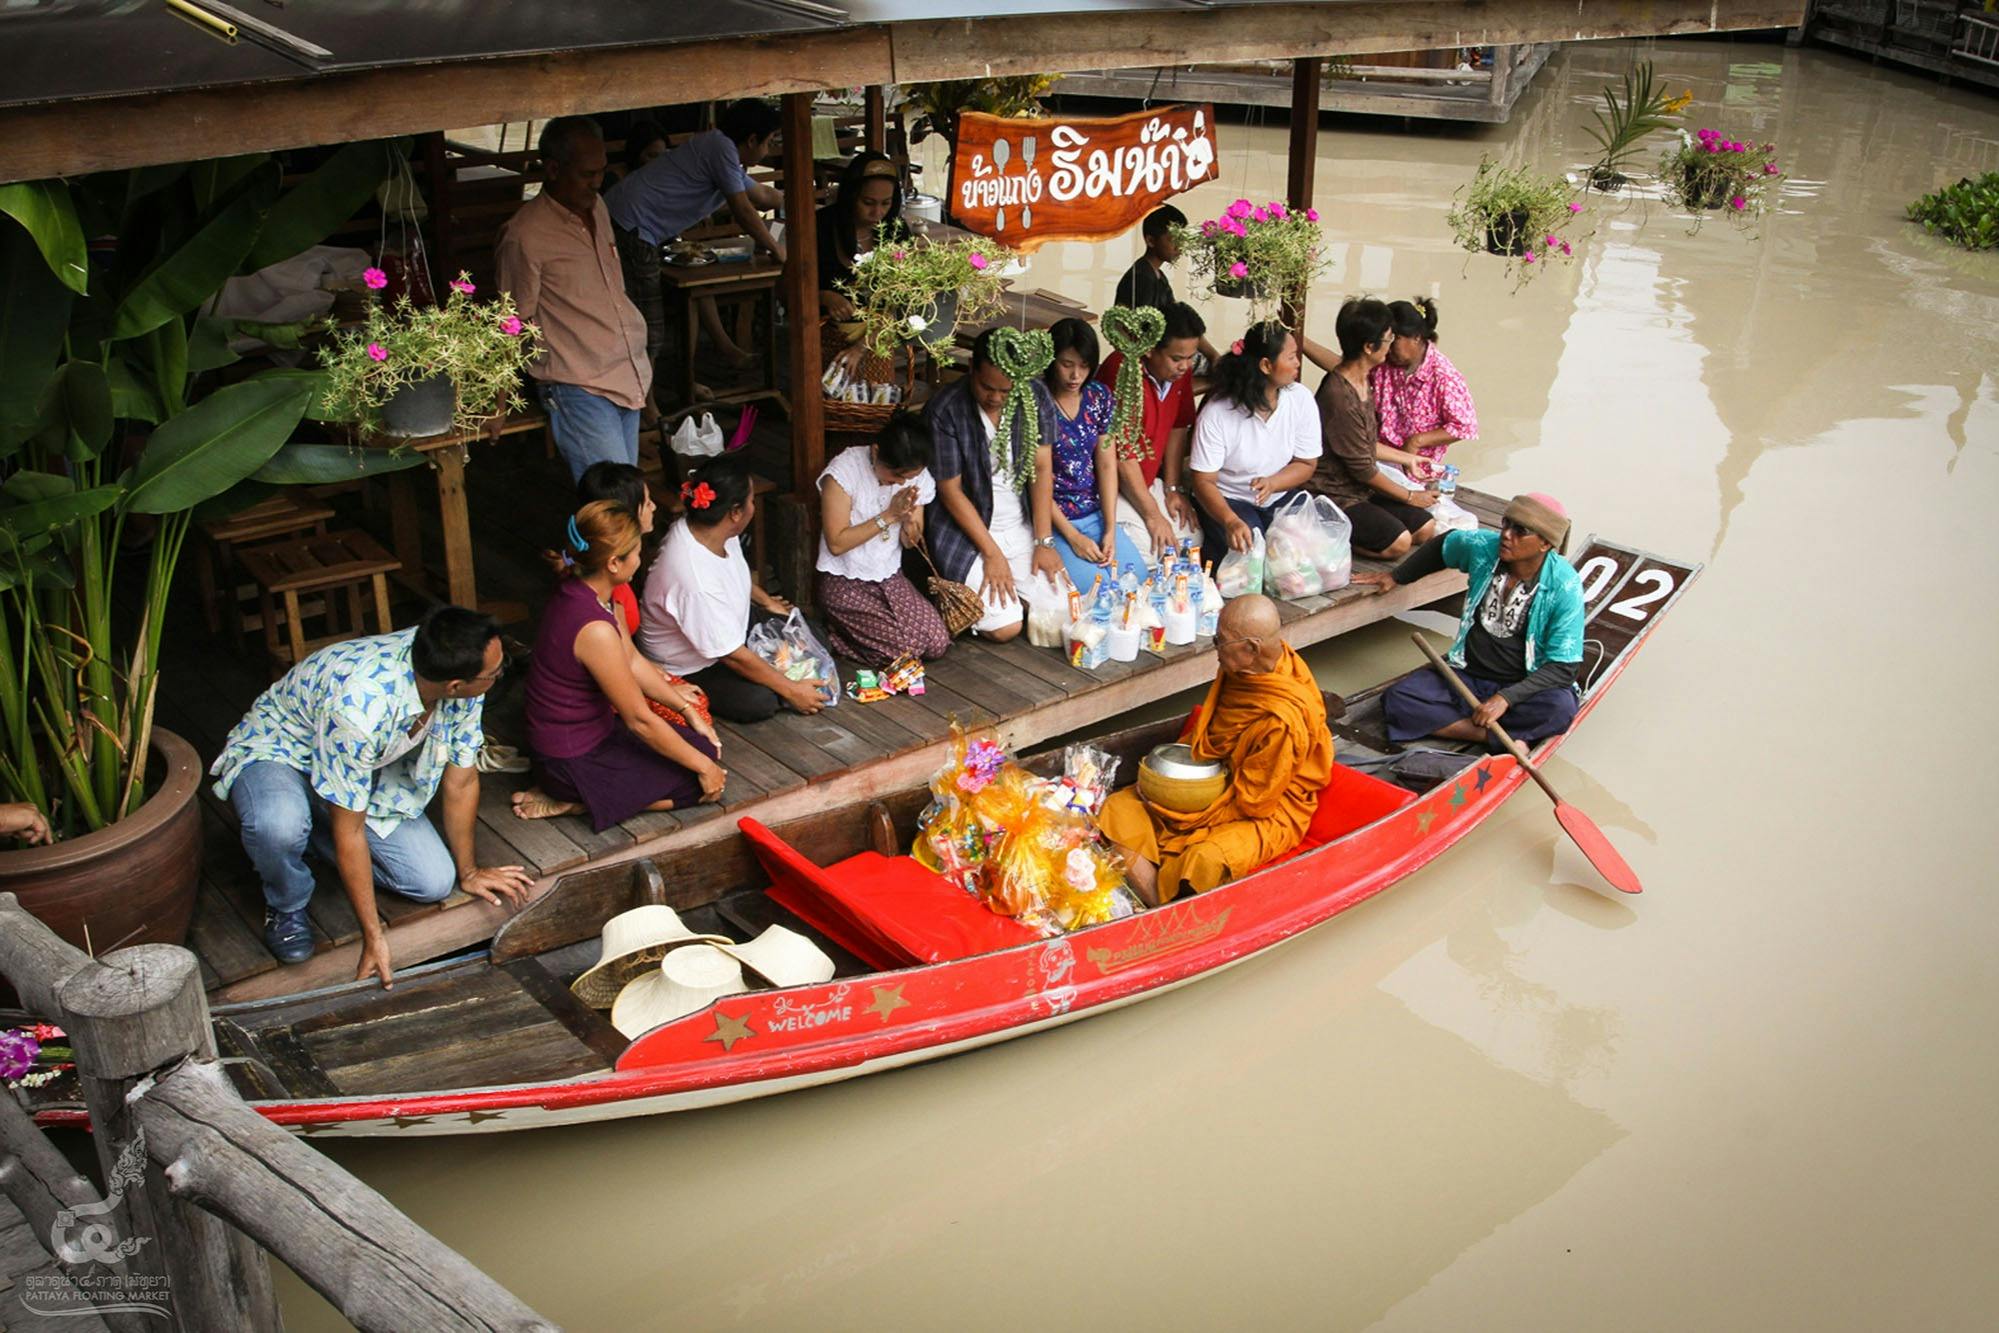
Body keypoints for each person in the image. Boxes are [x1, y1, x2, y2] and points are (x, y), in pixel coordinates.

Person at [209, 606, 534, 984]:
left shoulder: (459, 667)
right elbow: (350, 832)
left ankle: (313, 826)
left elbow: (460, 782)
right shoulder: (360, 710)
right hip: (284, 752)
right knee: (278, 828)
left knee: (432, 881)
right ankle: (286, 903)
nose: (500, 673)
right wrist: (374, 936)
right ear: (454, 685)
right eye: (494, 673)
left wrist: (470, 872)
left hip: (355, 765)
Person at [1097, 595, 1333, 905]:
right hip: (1217, 778)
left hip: (1267, 811)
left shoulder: (1282, 718)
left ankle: (1156, 907)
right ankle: (1158, 898)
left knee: (1204, 858)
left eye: (1220, 641)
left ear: (1251, 649)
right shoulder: (1242, 670)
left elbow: (1254, 803)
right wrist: (1164, 782)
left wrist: (1179, 812)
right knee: (1119, 808)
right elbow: (1210, 737)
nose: (1216, 649)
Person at [515, 502, 726, 830]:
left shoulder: (589, 591)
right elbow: (639, 720)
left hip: (594, 734)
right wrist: (705, 769)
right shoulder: (594, 630)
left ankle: (591, 797)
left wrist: (686, 710)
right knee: (700, 782)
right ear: (614, 563)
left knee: (701, 748)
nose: (640, 560)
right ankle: (577, 802)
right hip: (568, 760)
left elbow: (632, 660)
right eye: (637, 553)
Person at [1353, 494, 1583, 748]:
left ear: (1545, 544)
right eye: (1506, 524)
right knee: (1400, 699)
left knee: (1559, 709)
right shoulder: (1484, 547)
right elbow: (1444, 545)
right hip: (1468, 674)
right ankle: (1498, 738)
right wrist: (1396, 577)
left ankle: (1464, 724)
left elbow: (1564, 668)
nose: (1506, 535)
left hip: (1522, 685)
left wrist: (1505, 699)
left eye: (1520, 531)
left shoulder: (1564, 585)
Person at [495, 116, 652, 481]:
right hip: (578, 383)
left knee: (622, 496)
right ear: (553, 169)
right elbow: (509, 322)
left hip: (626, 373)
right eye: (586, 174)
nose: (597, 182)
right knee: (615, 502)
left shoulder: (598, 207)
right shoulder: (525, 235)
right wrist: (498, 402)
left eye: (601, 171)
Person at [605, 98, 786, 377]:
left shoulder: (721, 151)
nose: (768, 149)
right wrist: (775, 248)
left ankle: (700, 370)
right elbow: (743, 210)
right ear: (752, 140)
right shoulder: (721, 149)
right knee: (649, 325)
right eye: (769, 141)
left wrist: (807, 204)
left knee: (697, 292)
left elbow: (763, 196)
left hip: (637, 226)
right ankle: (647, 400)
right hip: (631, 228)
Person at [638, 454, 825, 722]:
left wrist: (766, 602)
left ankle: (779, 674)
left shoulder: (716, 528)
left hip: (731, 623)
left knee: (814, 636)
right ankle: (783, 683)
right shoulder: (694, 579)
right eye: (751, 501)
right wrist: (792, 690)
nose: (753, 506)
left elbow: (733, 572)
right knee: (759, 701)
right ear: (735, 512)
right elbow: (731, 655)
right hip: (693, 663)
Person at [923, 329, 1059, 641]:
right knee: (1005, 627)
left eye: (1006, 391)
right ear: (971, 367)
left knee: (1060, 609)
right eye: (987, 387)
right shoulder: (946, 409)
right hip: (969, 532)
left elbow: (1041, 467)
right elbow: (950, 491)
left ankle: (1021, 597)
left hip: (1020, 524)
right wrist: (992, 554)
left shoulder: (1035, 395)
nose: (996, 398)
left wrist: (1044, 541)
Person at [575, 461, 713, 731]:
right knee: (694, 714)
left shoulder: (605, 570)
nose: (653, 507)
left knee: (694, 702)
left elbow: (627, 652)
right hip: (606, 690)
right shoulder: (608, 588)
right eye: (646, 502)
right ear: (626, 513)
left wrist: (656, 674)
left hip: (628, 665)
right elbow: (619, 662)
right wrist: (668, 693)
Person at [815, 410, 951, 668]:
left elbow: (910, 542)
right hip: (844, 583)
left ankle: (853, 636)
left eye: (907, 478)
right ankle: (835, 638)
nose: (899, 482)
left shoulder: (916, 477)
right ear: (876, 452)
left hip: (890, 578)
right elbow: (836, 543)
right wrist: (889, 515)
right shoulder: (843, 472)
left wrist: (909, 520)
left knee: (936, 642)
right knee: (905, 652)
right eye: (896, 475)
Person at [1309, 297, 1441, 559]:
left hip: (1360, 488)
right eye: (1389, 339)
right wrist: (1409, 496)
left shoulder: (1363, 380)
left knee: (1425, 528)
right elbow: (1363, 469)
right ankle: (1326, 537)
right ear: (1369, 347)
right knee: (1399, 543)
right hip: (1334, 491)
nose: (1391, 346)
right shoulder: (1339, 396)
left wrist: (1408, 458)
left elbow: (1366, 444)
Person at [1188, 321, 1322, 555]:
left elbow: (1306, 463)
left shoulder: (1300, 398)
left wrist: (1274, 483)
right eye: (1291, 357)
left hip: (1279, 497)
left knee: (1305, 552)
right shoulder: (1218, 412)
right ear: (1266, 365)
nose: (1298, 363)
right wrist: (1230, 520)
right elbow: (1203, 482)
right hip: (1229, 499)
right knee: (1251, 549)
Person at [1040, 318, 1148, 593]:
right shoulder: (1037, 401)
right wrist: (1073, 537)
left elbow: (1107, 463)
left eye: (1084, 365)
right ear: (1051, 360)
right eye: (1066, 364)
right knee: (1098, 591)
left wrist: (1110, 527)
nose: (1075, 375)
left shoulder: (1098, 396)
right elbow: (1036, 480)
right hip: (1054, 518)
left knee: (1137, 580)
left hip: (1094, 512)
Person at [1097, 301, 1205, 562]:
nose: (1185, 367)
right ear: (1149, 349)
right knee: (1148, 550)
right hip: (1109, 487)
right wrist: (1153, 515)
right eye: (1176, 359)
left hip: (1146, 482)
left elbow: (1178, 426)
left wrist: (1172, 487)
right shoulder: (1122, 371)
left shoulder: (1179, 373)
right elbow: (1122, 457)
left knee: (1192, 537)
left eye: (1191, 357)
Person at [1371, 297, 1478, 483]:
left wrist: (1416, 441)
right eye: (1385, 339)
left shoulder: (1443, 376)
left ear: (1416, 337)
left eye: (1394, 339)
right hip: (1375, 456)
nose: (1387, 347)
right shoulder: (1385, 361)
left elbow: (1465, 425)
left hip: (1414, 471)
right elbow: (1347, 369)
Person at [1114, 205, 1221, 366]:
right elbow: (1130, 330)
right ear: (1151, 241)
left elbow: (1180, 321)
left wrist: (1213, 356)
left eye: (1181, 240)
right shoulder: (1142, 278)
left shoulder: (1158, 276)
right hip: (1151, 360)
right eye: (1173, 240)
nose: (1179, 247)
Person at [818, 152, 906, 322]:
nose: (877, 213)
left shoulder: (896, 229)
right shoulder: (822, 227)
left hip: (883, 327)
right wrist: (824, 296)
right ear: (850, 196)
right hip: (829, 328)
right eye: (868, 203)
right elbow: (786, 289)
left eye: (886, 203)